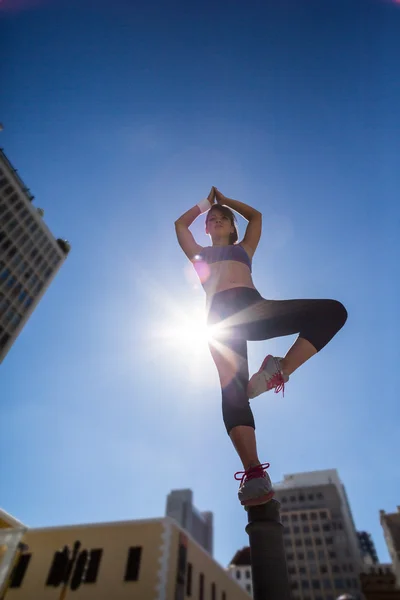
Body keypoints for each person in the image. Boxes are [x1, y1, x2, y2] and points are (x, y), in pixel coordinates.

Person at [174, 187, 347, 507]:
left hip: (252, 308)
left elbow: (256, 217)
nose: (215, 221)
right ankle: (254, 474)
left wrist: (224, 201)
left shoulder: (244, 249)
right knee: (233, 390)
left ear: (231, 226)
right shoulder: (198, 254)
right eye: (211, 220)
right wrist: (204, 204)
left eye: (221, 218)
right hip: (219, 323)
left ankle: (279, 370)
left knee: (333, 311)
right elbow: (180, 226)